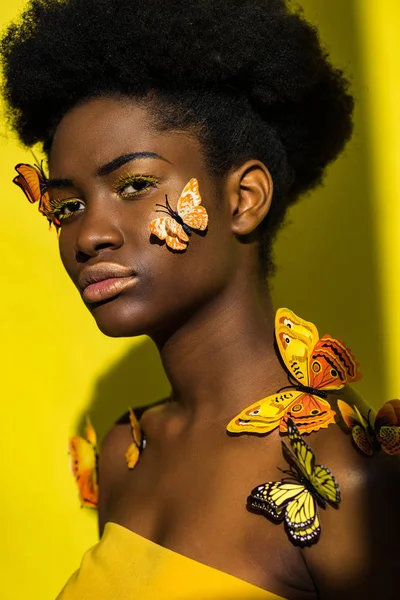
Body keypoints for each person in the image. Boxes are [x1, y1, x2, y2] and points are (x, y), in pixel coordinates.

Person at [1, 0, 399, 598]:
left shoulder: (341, 476)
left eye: (134, 185)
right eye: (68, 206)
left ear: (244, 199)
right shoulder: (123, 454)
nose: (89, 235)